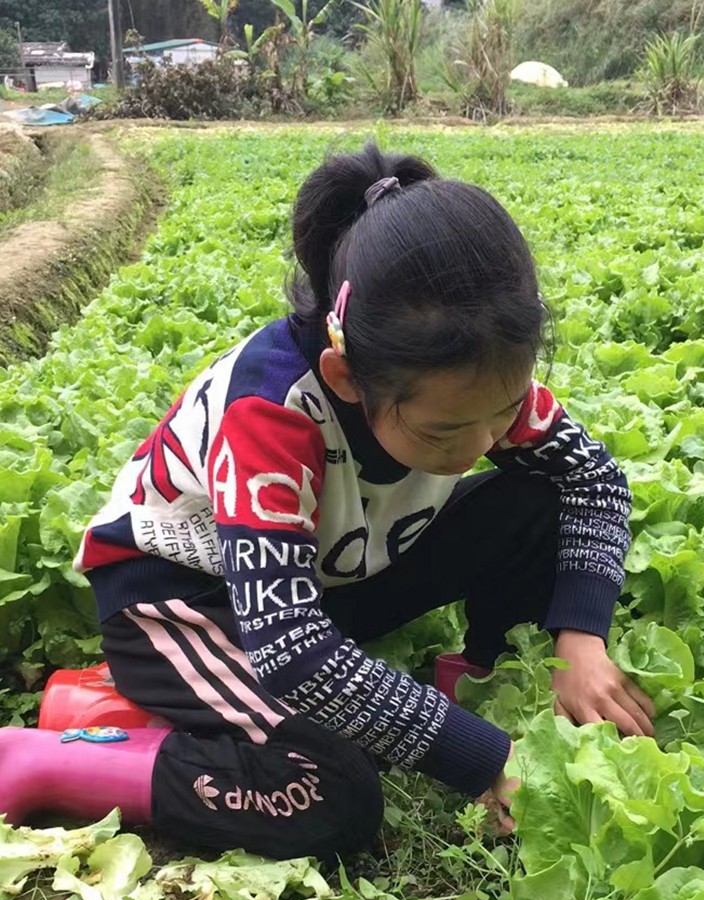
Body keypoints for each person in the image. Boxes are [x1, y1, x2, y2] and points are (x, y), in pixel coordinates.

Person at [1, 142, 654, 858]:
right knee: (331, 793)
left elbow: (593, 483)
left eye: (502, 412)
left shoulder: (472, 381)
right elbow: (288, 647)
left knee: (542, 497)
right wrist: (486, 760)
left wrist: (581, 640)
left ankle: (479, 679)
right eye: (444, 431)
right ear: (346, 378)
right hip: (185, 604)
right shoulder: (272, 413)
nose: (482, 442)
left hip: (320, 580)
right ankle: (55, 758)